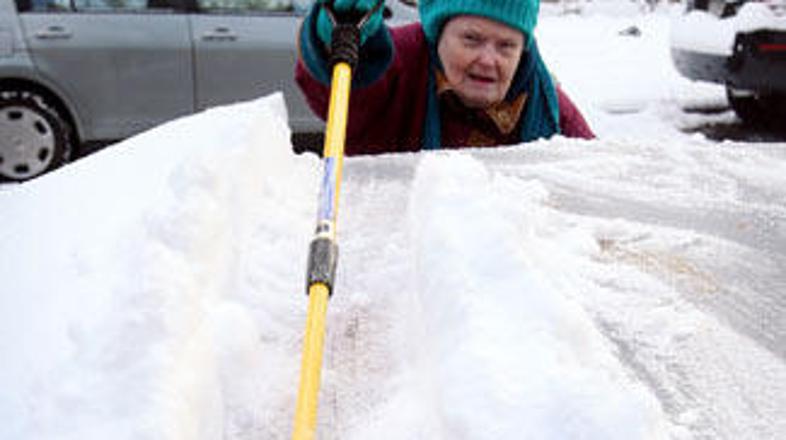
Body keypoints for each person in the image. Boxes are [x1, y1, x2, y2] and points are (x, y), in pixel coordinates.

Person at [295, 0, 594, 155]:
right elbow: (338, 94)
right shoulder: (398, 62)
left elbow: (596, 174)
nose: (488, 60)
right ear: (439, 35)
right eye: (471, 40)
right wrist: (338, 41)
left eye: (506, 46)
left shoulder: (543, 102)